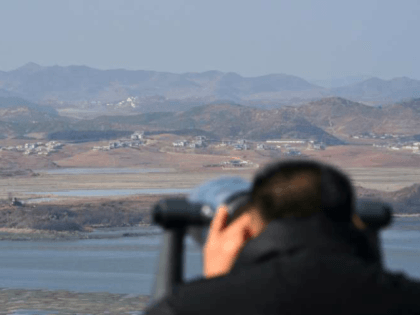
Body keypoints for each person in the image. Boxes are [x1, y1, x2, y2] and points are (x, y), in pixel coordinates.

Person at [146, 160, 420, 315]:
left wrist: (217, 285)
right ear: (355, 223)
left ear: (249, 229)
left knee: (217, 190)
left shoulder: (194, 306)